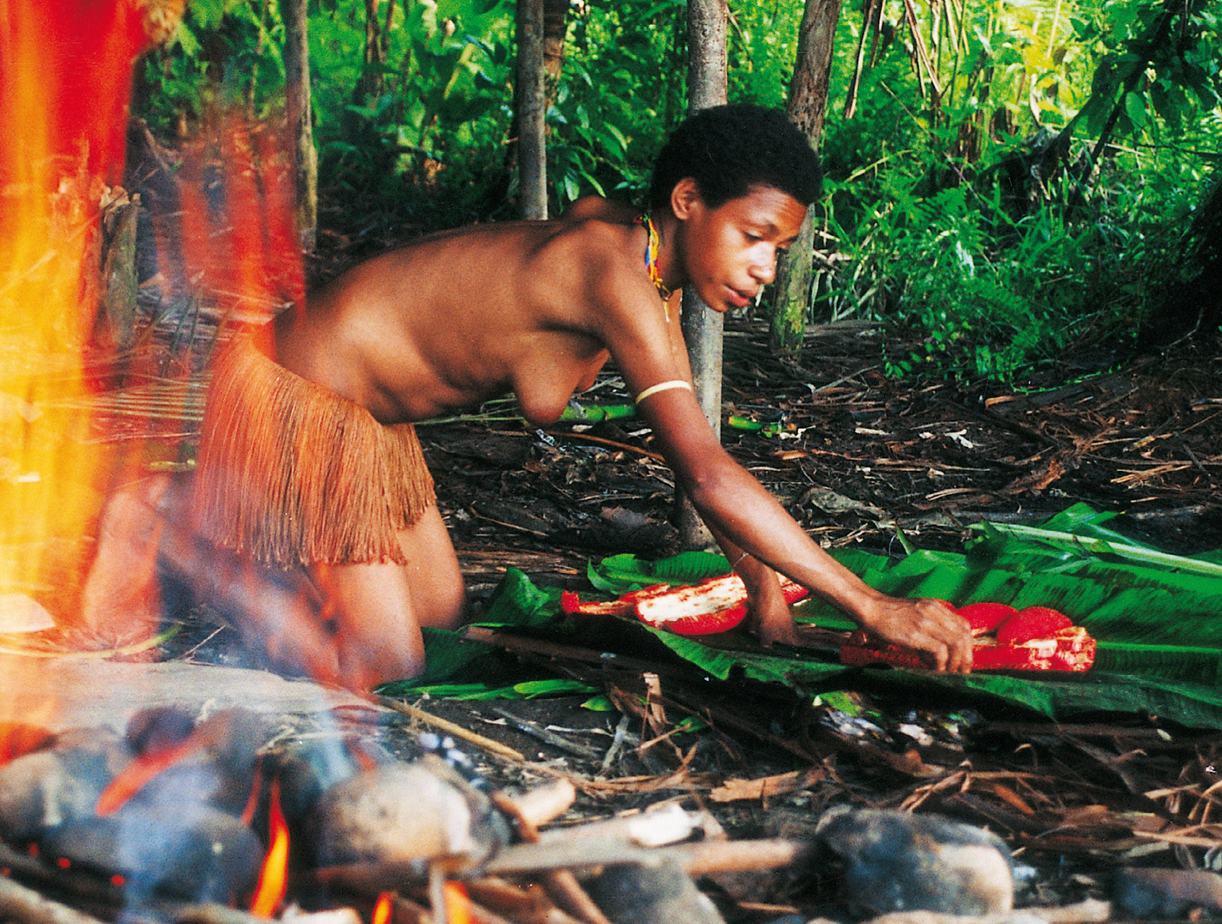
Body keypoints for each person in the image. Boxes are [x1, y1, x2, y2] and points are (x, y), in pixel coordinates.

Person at [186, 103, 974, 687]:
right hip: (299, 393)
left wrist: (763, 584)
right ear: (689, 200)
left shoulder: (642, 263)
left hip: (373, 425)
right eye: (752, 234)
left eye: (779, 247)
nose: (765, 265)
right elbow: (704, 475)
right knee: (383, 667)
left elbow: (694, 455)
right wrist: (870, 605)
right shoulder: (614, 275)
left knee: (442, 622)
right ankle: (161, 530)